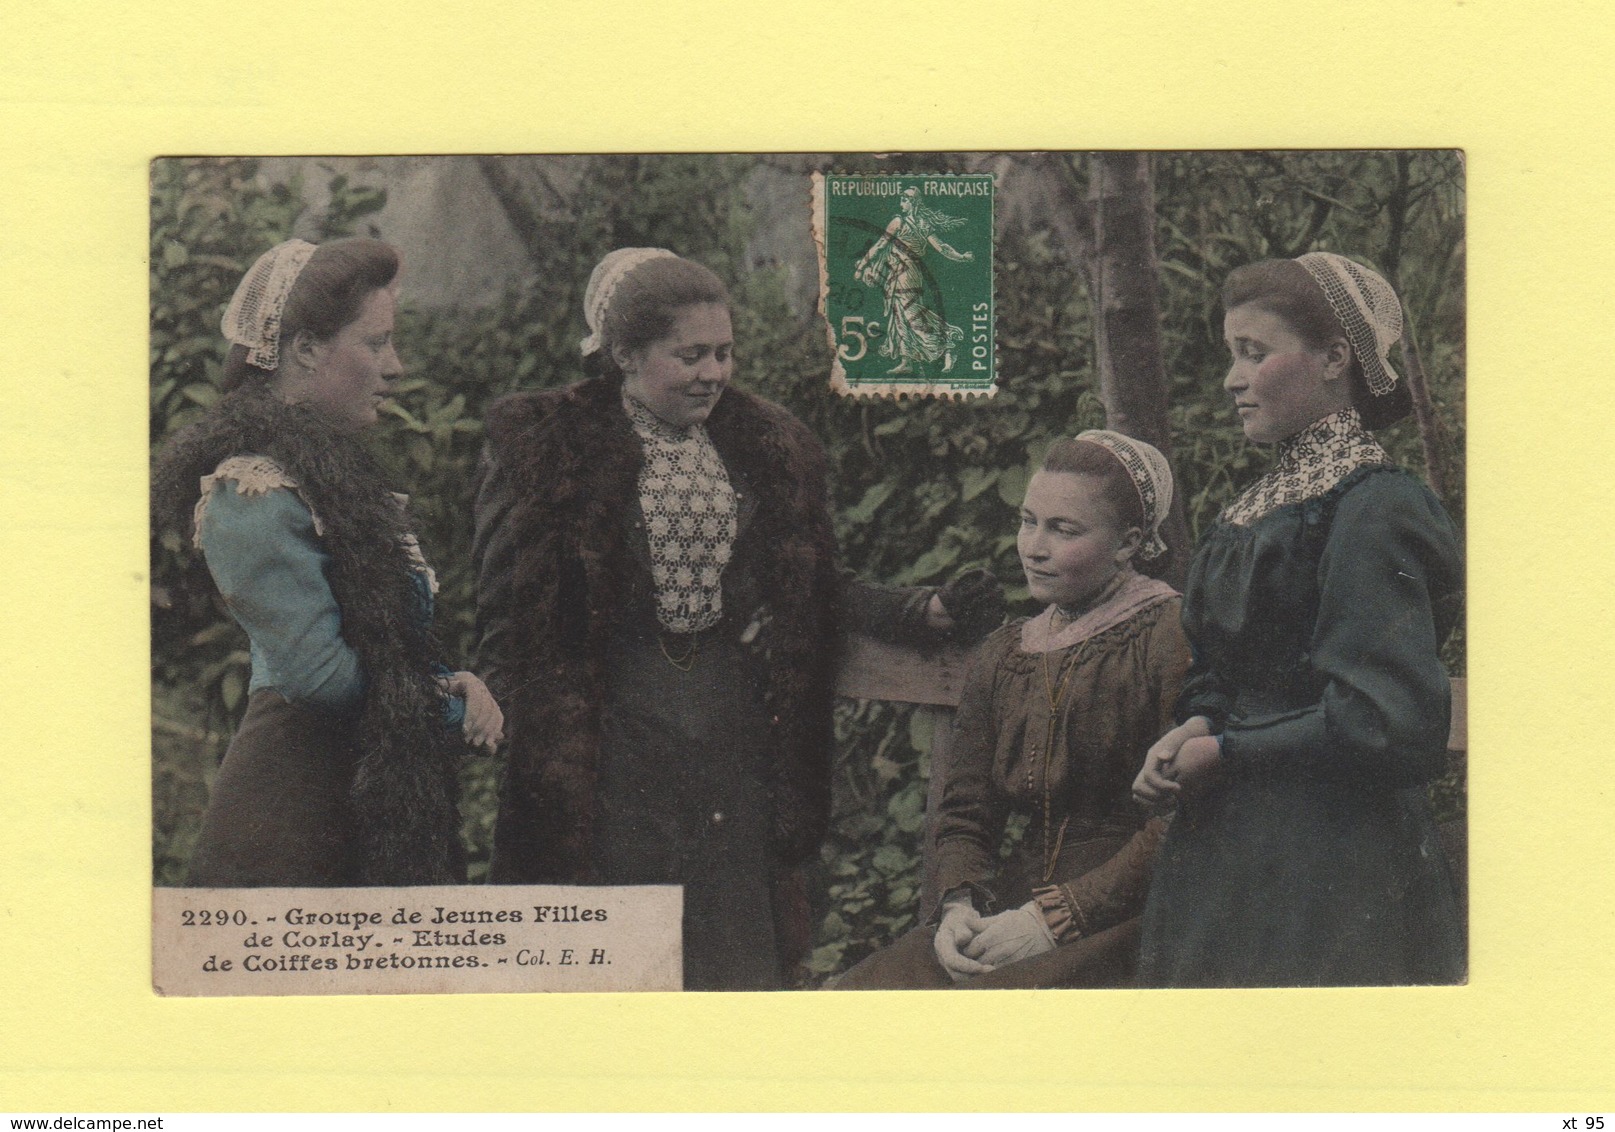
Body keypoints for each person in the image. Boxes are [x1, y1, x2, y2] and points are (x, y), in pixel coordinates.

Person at [473, 248, 1000, 990]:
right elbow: (509, 600)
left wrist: (923, 610)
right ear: (625, 354)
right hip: (607, 734)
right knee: (616, 954)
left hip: (724, 730)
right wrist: (505, 705)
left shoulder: (759, 446)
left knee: (727, 952)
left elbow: (812, 582)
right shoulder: (555, 450)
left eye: (723, 353)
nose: (713, 374)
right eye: (689, 356)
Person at [1132, 252, 1464, 986]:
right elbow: (1224, 667)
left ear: (1333, 359)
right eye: (1231, 355)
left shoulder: (1374, 507)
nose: (1231, 378)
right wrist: (1194, 722)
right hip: (1227, 843)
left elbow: (1383, 717)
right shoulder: (1259, 505)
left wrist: (1223, 752)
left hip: (1336, 858)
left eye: (1253, 353)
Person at [152, 238, 502, 887]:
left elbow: (385, 652)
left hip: (363, 812)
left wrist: (457, 682)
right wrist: (447, 711)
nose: (394, 367)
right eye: (375, 344)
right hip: (291, 827)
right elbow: (320, 677)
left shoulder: (335, 487)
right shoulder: (252, 489)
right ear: (306, 349)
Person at [834, 431, 1190, 989]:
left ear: (1128, 544)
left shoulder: (1167, 635)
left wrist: (1051, 920)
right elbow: (967, 813)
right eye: (1028, 521)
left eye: (1063, 529)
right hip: (1011, 906)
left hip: (1128, 914)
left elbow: (1180, 822)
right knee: (858, 999)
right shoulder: (1006, 652)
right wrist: (958, 908)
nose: (1034, 546)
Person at [854, 187, 974, 375]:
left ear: (913, 203)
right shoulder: (923, 224)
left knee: (910, 315)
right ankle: (907, 361)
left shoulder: (898, 222)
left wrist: (862, 266)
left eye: (904, 199)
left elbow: (880, 245)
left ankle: (948, 346)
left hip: (903, 273)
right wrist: (961, 257)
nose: (901, 203)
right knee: (900, 314)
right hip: (907, 272)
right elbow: (942, 247)